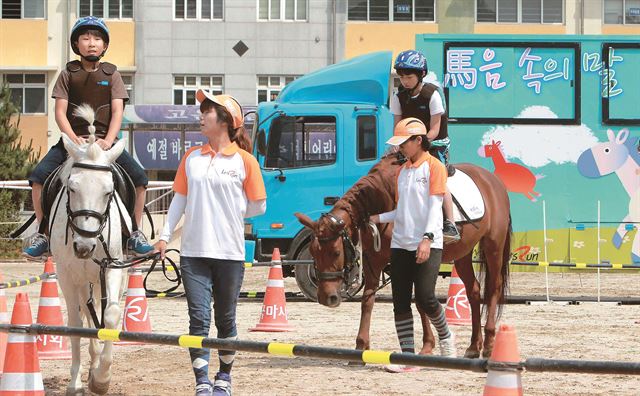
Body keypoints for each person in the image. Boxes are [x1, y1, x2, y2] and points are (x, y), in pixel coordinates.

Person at [154, 90, 266, 396]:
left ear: (226, 121)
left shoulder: (245, 161)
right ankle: (202, 382)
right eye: (202, 111)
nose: (201, 116)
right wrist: (164, 236)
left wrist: (230, 210)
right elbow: (179, 200)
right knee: (198, 318)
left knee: (226, 318)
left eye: (207, 111)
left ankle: (224, 378)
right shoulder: (192, 158)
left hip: (229, 252)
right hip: (193, 253)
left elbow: (259, 205)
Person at [24, 16, 153, 259]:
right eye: (85, 38)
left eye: (97, 38)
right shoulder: (67, 74)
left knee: (140, 178)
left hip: (106, 143)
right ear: (76, 44)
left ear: (104, 45)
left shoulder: (112, 74)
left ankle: (135, 232)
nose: (91, 43)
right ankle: (43, 233)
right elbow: (60, 113)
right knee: (38, 178)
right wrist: (73, 139)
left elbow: (117, 112)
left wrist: (108, 140)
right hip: (72, 144)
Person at [370, 118, 456, 370]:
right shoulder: (402, 171)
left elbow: (434, 206)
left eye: (404, 143)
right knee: (399, 301)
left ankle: (447, 339)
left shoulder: (434, 167)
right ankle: (408, 356)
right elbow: (401, 210)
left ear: (418, 141)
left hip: (428, 242)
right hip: (401, 243)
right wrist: (378, 218)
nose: (400, 149)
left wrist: (427, 239)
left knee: (427, 297)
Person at [390, 49, 460, 244]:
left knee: (439, 180)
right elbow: (398, 126)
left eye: (409, 77)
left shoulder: (433, 95)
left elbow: (435, 129)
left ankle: (450, 223)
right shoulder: (398, 97)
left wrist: (421, 146)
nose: (404, 81)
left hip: (433, 144)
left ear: (421, 75)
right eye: (402, 77)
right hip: (408, 143)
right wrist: (398, 145)